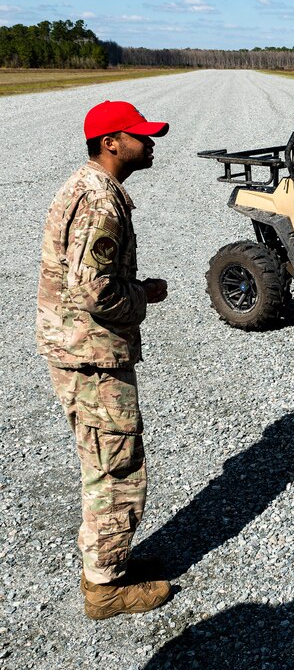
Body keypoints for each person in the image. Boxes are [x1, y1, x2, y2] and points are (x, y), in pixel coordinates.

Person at [37, 100, 172, 619]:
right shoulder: (99, 202)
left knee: (104, 461)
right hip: (90, 354)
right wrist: (142, 297)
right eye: (141, 135)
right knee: (116, 469)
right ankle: (105, 587)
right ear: (111, 142)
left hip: (76, 348)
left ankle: (107, 564)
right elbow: (96, 292)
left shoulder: (88, 187)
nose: (151, 142)